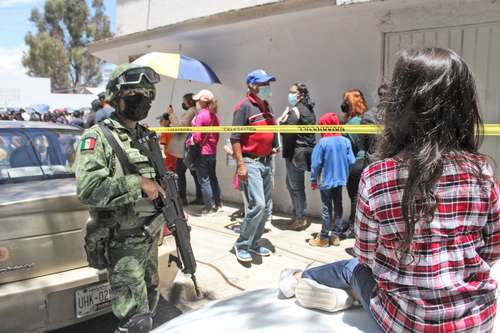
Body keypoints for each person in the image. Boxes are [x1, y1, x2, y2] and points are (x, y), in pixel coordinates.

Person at [279, 48, 500, 332]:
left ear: (399, 104)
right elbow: (492, 249)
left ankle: (300, 278)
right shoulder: (482, 171)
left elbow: (367, 256)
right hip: (476, 320)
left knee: (350, 268)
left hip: (405, 321)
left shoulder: (378, 175)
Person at [76, 64, 164, 333]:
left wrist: (171, 212)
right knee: (133, 320)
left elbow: (161, 182)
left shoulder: (146, 136)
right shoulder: (97, 137)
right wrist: (137, 183)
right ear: (116, 97)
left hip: (150, 235)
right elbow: (88, 189)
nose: (143, 100)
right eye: (135, 95)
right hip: (123, 242)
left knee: (150, 305)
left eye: (148, 95)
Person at [231, 69, 279, 262]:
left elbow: (271, 130)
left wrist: (273, 145)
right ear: (252, 86)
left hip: (267, 161)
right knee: (258, 204)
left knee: (266, 208)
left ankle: (255, 242)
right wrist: (241, 165)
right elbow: (235, 138)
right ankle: (242, 244)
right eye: (264, 84)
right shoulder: (243, 107)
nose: (267, 87)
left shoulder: (266, 106)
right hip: (251, 162)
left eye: (268, 83)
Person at [309, 112, 355, 247]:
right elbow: (351, 160)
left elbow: (316, 164)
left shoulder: (322, 143)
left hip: (326, 180)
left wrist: (313, 180)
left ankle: (323, 237)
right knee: (338, 205)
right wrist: (343, 171)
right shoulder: (345, 141)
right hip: (340, 179)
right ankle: (335, 236)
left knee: (326, 207)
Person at [278, 83, 316, 231]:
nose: (290, 94)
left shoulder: (295, 111)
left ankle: (300, 217)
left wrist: (281, 120)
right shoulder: (310, 110)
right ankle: (299, 214)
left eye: (292, 92)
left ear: (300, 95)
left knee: (296, 187)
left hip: (295, 154)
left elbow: (285, 130)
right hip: (305, 152)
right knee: (292, 184)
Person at [341, 89, 367, 235]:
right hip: (369, 162)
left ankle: (353, 227)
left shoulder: (349, 125)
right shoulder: (367, 120)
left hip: (356, 163)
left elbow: (347, 150)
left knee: (354, 196)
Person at [191, 89, 221, 214]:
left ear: (203, 102)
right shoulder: (215, 116)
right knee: (213, 177)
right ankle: (218, 203)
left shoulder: (201, 115)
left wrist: (192, 142)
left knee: (204, 179)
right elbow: (218, 135)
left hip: (202, 152)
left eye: (198, 100)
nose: (197, 102)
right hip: (212, 152)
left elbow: (197, 137)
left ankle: (208, 207)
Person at [171, 93, 203, 206]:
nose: (182, 103)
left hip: (185, 148)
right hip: (191, 147)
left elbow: (180, 127)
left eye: (184, 101)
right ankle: (200, 197)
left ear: (189, 102)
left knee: (180, 172)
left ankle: (182, 198)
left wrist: (171, 114)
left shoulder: (191, 112)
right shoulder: (196, 111)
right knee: (195, 172)